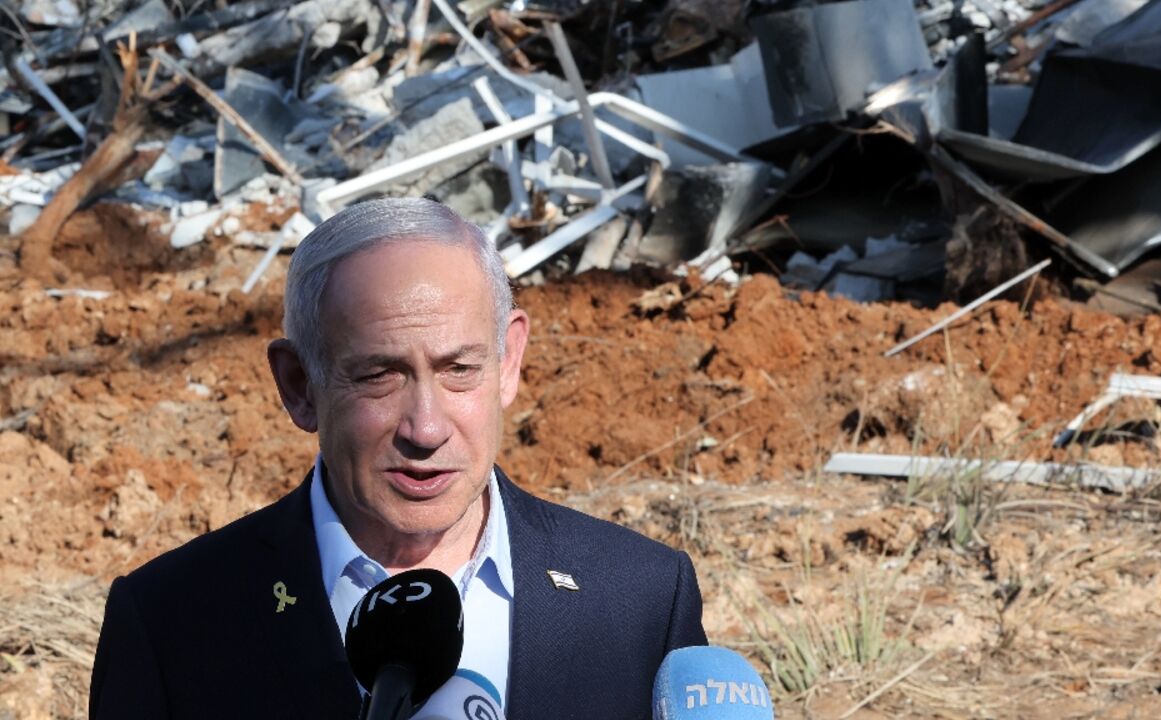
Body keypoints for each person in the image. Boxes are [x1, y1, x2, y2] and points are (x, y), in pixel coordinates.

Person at [89, 198, 707, 719]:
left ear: (509, 361)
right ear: (300, 387)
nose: (427, 428)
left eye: (460, 370)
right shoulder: (172, 621)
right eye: (380, 376)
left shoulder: (643, 601)